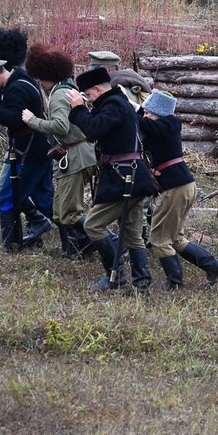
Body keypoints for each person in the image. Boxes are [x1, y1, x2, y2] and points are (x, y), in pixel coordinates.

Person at [67, 67, 158, 292]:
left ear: (97, 89)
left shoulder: (114, 105)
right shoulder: (118, 103)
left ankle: (114, 276)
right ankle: (142, 285)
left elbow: (94, 128)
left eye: (88, 94)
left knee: (93, 225)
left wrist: (78, 108)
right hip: (132, 175)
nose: (87, 99)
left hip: (124, 178)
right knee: (132, 233)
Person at [136, 89, 218, 288]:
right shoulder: (164, 124)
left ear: (158, 112)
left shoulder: (167, 124)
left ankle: (174, 283)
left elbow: (140, 121)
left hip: (174, 188)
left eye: (149, 112)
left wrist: (127, 108)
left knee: (159, 239)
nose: (146, 115)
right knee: (175, 238)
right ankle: (212, 265)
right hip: (183, 185)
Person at [20, 44, 97, 259]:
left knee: (70, 213)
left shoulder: (58, 95)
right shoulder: (67, 89)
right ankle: (77, 248)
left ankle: (102, 240)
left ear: (45, 74)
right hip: (76, 155)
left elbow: (61, 126)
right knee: (59, 211)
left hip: (76, 157)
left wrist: (33, 121)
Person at [0, 58, 54, 252]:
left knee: (7, 197)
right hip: (40, 149)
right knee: (45, 202)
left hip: (29, 152)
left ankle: (11, 246)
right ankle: (78, 240)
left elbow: (15, 120)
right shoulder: (21, 79)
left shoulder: (16, 89)